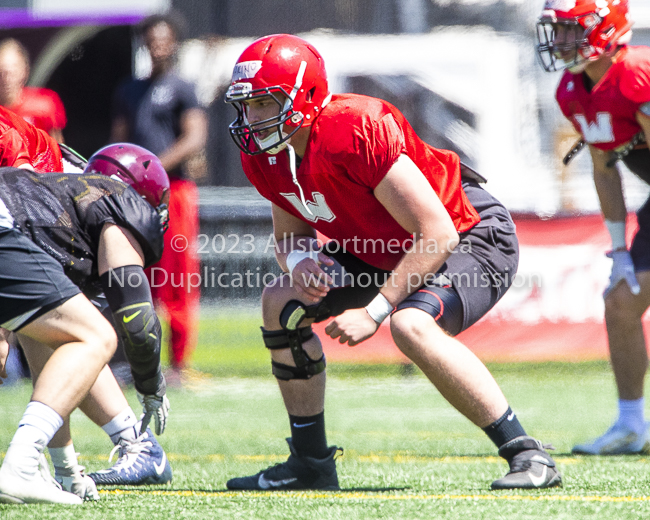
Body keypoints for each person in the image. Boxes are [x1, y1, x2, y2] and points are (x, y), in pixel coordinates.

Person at [223, 34, 562, 491]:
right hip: (379, 244)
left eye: (264, 103)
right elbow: (289, 237)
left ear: (304, 97)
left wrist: (375, 311)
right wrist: (300, 261)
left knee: (410, 325)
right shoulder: (265, 156)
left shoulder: (355, 127)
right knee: (281, 303)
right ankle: (310, 462)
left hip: (466, 231)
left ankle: (528, 453)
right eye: (247, 106)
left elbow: (436, 231)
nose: (252, 118)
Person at [0, 144, 172, 504]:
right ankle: (22, 464)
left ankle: (48, 469)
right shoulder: (116, 198)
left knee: (61, 337)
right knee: (96, 336)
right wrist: (150, 384)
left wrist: (68, 472)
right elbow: (137, 320)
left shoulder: (51, 204)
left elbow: (45, 352)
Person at [537, 0, 650, 455]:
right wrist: (618, 249)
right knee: (621, 302)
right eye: (558, 31)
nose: (561, 41)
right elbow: (605, 166)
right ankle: (630, 424)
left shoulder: (637, 72)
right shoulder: (572, 89)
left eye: (570, 29)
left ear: (607, 28)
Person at [111, 13, 208, 384]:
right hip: (134, 197)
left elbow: (195, 137)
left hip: (175, 194)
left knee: (179, 276)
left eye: (164, 38)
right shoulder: (128, 90)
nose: (158, 45)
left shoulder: (183, 88)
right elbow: (118, 140)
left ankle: (179, 365)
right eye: (151, 39)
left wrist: (149, 167)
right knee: (136, 275)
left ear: (175, 42)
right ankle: (139, 359)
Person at [0, 38, 67, 142]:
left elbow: (57, 148)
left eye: (12, 72)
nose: (7, 80)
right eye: (1, 73)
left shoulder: (45, 104)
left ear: (24, 71)